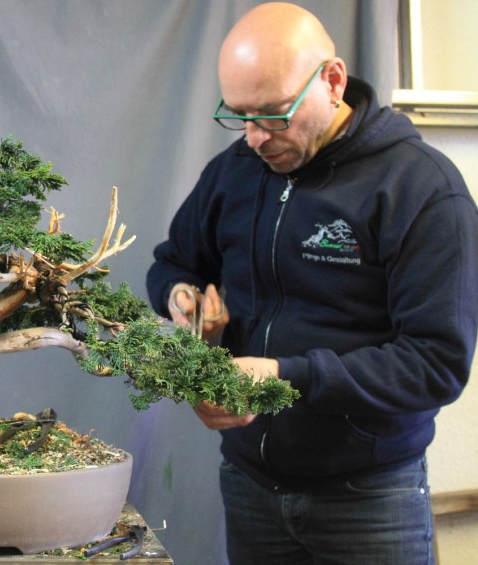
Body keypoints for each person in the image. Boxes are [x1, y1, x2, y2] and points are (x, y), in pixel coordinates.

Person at [146, 3, 478, 564]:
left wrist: (284, 376)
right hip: (250, 483)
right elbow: (172, 263)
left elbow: (435, 364)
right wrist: (183, 301)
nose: (254, 137)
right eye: (239, 115)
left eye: (273, 114)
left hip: (370, 498)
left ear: (333, 81)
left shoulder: (421, 190)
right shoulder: (234, 170)